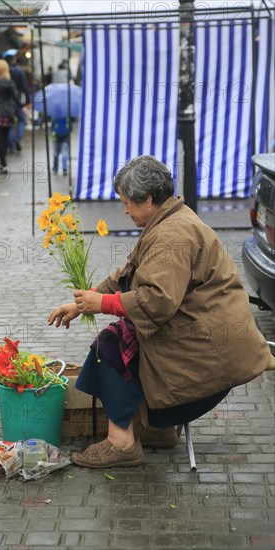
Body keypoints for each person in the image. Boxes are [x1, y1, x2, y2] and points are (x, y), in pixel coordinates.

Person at [48, 155, 273, 469]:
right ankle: (158, 429)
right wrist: (84, 301)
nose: (124, 209)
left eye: (127, 202)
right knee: (126, 335)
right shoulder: (170, 220)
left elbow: (157, 302)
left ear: (149, 199)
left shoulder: (172, 234)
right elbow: (127, 276)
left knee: (110, 345)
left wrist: (103, 305)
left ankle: (122, 443)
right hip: (204, 341)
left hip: (210, 356)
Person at [0, 59, 24, 174]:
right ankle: (4, 160)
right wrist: (23, 109)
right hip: (8, 114)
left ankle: (2, 162)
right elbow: (17, 98)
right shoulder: (9, 82)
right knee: (4, 138)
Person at [2, 50, 30, 152]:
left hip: (7, 101)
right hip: (17, 100)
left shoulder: (4, 71)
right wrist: (27, 99)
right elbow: (24, 86)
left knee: (10, 122)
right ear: (14, 58)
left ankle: (11, 145)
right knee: (22, 120)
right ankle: (17, 139)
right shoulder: (19, 70)